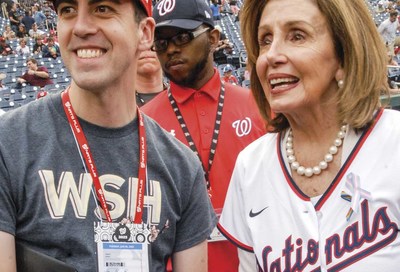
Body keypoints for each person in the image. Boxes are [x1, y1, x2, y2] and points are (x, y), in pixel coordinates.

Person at [0, 0, 216, 271]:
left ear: (145, 33)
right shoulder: (9, 143)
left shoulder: (182, 167)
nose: (80, 27)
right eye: (68, 10)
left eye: (102, 8)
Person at [218, 0, 400, 271]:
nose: (271, 55)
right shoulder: (250, 166)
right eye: (265, 40)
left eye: (297, 36)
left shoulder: (394, 141)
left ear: (343, 56)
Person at [142, 0, 266, 271]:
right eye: (161, 43)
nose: (172, 49)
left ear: (213, 38)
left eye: (183, 37)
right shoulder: (143, 122)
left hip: (253, 260)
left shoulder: (258, 106)